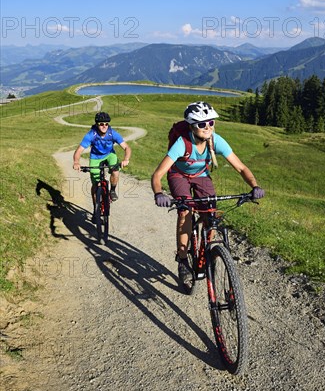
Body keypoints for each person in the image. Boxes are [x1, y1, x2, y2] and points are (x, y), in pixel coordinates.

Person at [151, 101, 264, 284]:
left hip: (201, 175)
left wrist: (255, 186)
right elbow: (157, 174)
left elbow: (241, 168)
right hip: (178, 175)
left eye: (211, 123)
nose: (208, 128)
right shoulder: (182, 143)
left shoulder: (215, 140)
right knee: (185, 212)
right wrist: (158, 193)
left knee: (210, 215)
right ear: (192, 126)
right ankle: (182, 259)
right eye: (202, 124)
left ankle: (205, 253)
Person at [73, 111, 131, 211]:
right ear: (96, 124)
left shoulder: (112, 133)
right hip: (95, 157)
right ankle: (96, 208)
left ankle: (112, 190)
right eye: (101, 124)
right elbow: (79, 150)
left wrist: (126, 159)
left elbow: (127, 147)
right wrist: (76, 162)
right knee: (95, 185)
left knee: (115, 171)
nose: (104, 126)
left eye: (106, 124)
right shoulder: (91, 134)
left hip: (109, 155)